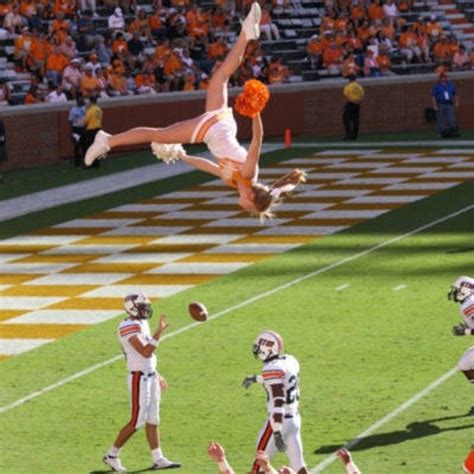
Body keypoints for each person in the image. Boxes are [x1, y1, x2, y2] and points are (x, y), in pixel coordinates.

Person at [84, 3, 306, 220]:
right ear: (251, 199)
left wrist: (185, 156)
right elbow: (257, 141)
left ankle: (246, 34)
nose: (244, 208)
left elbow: (210, 166)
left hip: (223, 125)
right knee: (157, 134)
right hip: (212, 130)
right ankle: (107, 141)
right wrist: (256, 112)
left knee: (221, 76)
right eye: (249, 208)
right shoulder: (248, 175)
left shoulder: (236, 182)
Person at [103, 293, 181, 471]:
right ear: (132, 308)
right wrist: (158, 333)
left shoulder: (140, 322)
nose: (146, 310)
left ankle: (158, 458)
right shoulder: (127, 326)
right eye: (143, 307)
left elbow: (147, 357)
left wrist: (157, 373)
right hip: (139, 377)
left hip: (150, 375)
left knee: (154, 417)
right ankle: (111, 455)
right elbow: (145, 351)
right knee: (137, 420)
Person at [242, 331, 308, 474]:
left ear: (268, 348)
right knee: (300, 467)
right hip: (294, 420)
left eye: (259, 347)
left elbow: (278, 400)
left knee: (258, 467)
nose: (257, 350)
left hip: (278, 421)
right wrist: (256, 379)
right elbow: (280, 382)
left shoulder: (271, 368)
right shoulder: (290, 360)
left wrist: (277, 431)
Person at [448, 276, 474, 385]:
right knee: (464, 364)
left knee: (465, 364)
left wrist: (466, 331)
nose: (454, 292)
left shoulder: (470, 304)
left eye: (457, 289)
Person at [431, 72, 460, 138]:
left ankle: (452, 132)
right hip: (440, 104)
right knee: (440, 119)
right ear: (440, 78)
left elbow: (455, 94)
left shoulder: (450, 85)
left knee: (451, 118)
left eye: (445, 77)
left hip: (449, 104)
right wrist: (434, 105)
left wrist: (457, 102)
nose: (444, 78)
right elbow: (433, 96)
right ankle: (440, 133)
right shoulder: (437, 86)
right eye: (442, 77)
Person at [342, 75, 364, 140]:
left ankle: (349, 134)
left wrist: (351, 100)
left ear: (349, 80)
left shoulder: (348, 86)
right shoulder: (359, 86)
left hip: (350, 103)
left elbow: (346, 95)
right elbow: (362, 94)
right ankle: (355, 135)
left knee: (346, 120)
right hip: (357, 104)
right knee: (356, 120)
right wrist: (358, 101)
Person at [84, 96, 103, 168]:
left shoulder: (90, 110)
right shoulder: (99, 109)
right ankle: (97, 163)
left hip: (91, 130)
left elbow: (85, 121)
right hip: (98, 129)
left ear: (91, 102)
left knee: (90, 147)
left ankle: (90, 163)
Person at [69, 96, 87, 167]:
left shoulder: (84, 108)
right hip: (76, 129)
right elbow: (70, 120)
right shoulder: (73, 110)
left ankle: (85, 161)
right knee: (77, 146)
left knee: (84, 145)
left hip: (83, 128)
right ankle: (77, 162)